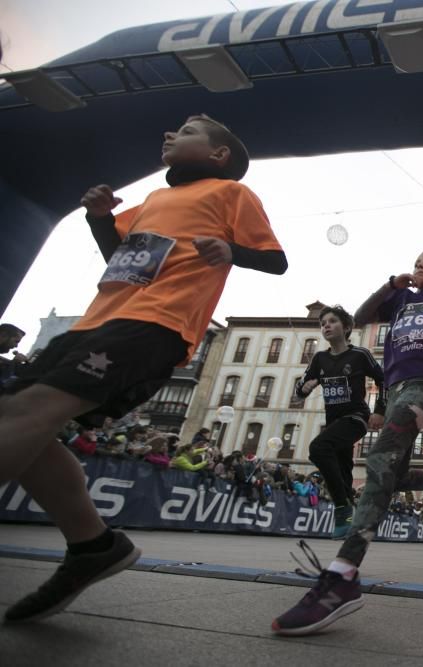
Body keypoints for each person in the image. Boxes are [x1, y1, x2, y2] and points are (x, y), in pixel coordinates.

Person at [0, 114, 286, 625]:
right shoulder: (154, 200)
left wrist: (231, 250)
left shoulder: (230, 193)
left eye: (187, 130)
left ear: (219, 155)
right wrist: (99, 219)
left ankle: (92, 545)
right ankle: (94, 545)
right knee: (29, 428)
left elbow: (274, 259)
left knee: (25, 411)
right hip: (97, 320)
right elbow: (122, 257)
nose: (169, 135)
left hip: (156, 322)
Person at [272, 249, 423, 636]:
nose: (419, 266)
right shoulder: (401, 298)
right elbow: (361, 316)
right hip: (395, 386)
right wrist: (389, 285)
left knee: (379, 459)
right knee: (396, 477)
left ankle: (343, 575)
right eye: (416, 261)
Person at [295, 304, 386, 538]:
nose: (326, 325)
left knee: (318, 448)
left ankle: (342, 508)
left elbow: (383, 380)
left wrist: (379, 411)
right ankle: (349, 522)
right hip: (333, 421)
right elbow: (300, 390)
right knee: (344, 472)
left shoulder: (360, 355)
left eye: (332, 321)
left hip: (356, 417)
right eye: (323, 323)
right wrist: (304, 388)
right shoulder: (319, 358)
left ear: (346, 327)